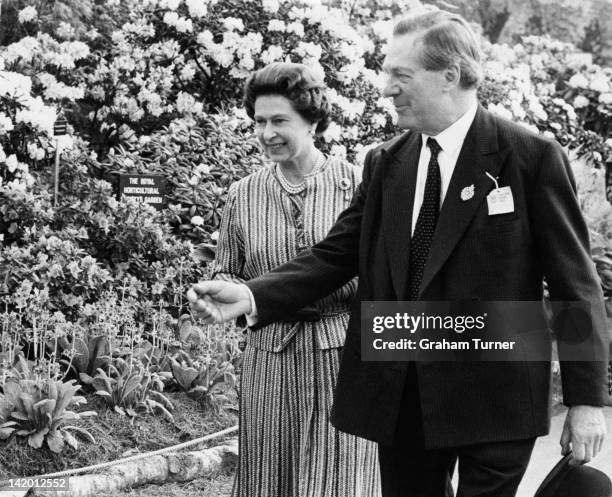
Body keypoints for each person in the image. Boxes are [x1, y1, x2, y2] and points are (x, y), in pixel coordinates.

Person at [188, 9, 609, 497]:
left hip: (497, 393)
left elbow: (574, 282)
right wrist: (252, 295)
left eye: (400, 74)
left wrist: (585, 401)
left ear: (449, 75)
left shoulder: (530, 156)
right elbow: (336, 255)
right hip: (403, 389)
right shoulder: (386, 162)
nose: (385, 87)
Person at [208, 62, 380, 497]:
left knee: (342, 481)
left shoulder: (357, 183)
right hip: (271, 359)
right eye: (259, 122)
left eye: (279, 120)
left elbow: (383, 273)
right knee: (269, 478)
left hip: (342, 356)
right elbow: (228, 269)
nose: (267, 133)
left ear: (312, 120)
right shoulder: (243, 193)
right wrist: (221, 294)